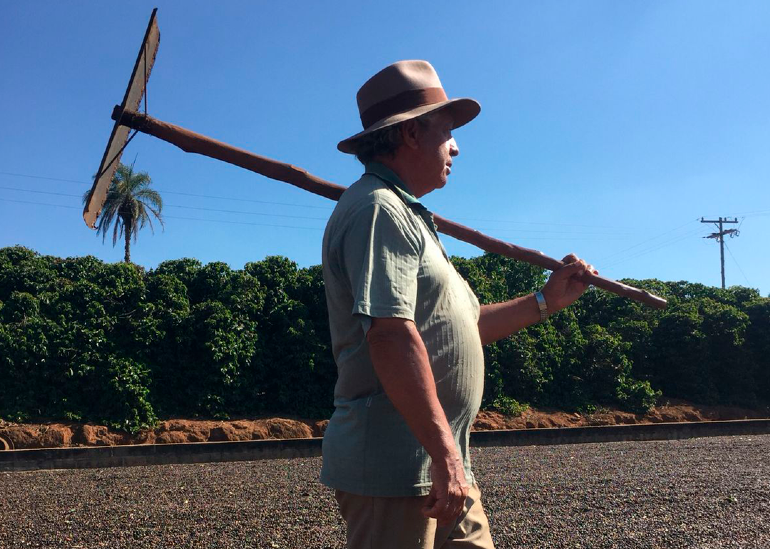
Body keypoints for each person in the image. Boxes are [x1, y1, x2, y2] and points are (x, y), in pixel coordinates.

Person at [321, 60, 596, 549]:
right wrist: (444, 454)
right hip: (397, 468)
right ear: (411, 134)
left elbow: (463, 326)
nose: (456, 146)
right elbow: (390, 335)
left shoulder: (407, 214)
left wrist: (546, 300)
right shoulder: (379, 210)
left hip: (439, 464)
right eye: (447, 131)